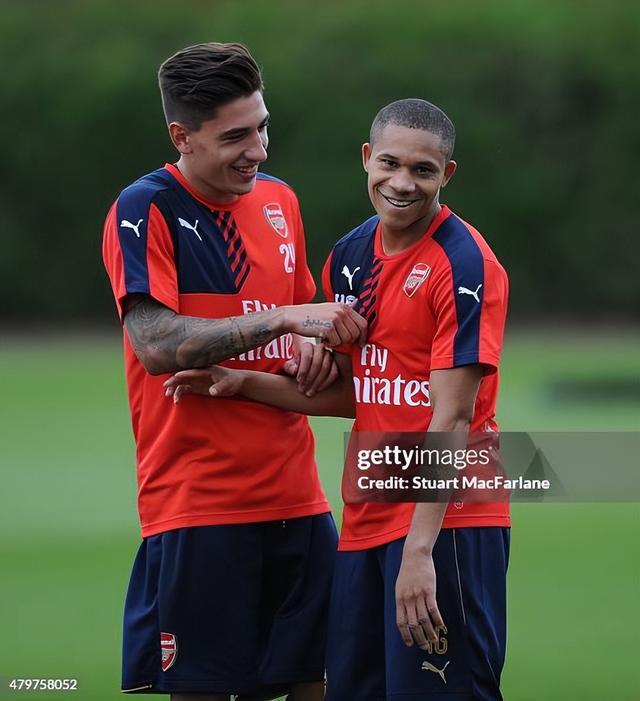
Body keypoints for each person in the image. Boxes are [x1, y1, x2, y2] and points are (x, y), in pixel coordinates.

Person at [165, 98, 510, 700]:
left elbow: (452, 415)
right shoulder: (350, 258)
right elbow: (361, 394)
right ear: (367, 158)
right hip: (365, 524)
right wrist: (244, 383)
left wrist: (419, 551)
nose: (403, 183)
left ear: (447, 175)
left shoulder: (464, 264)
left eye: (423, 170)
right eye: (391, 164)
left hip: (447, 525)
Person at [102, 42, 367, 701]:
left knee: (323, 684)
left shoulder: (280, 202)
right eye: (236, 137)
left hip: (299, 502)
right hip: (199, 509)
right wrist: (284, 320)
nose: (259, 150)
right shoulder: (145, 208)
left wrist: (311, 343)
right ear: (182, 137)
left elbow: (304, 326)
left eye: (262, 127)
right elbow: (155, 344)